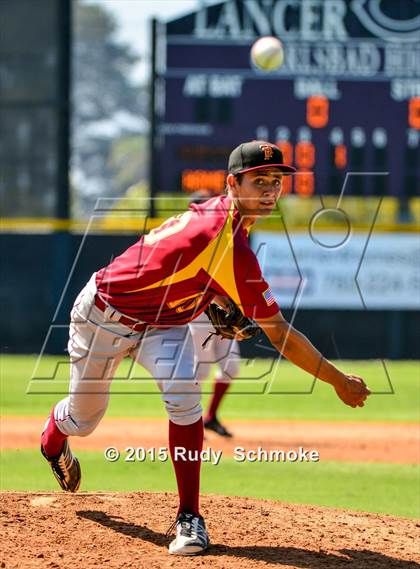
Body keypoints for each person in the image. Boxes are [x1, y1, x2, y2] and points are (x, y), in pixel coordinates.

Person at [40, 140, 370, 556]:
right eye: (259, 181)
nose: (270, 190)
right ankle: (53, 439)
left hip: (166, 320)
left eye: (276, 181)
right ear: (233, 183)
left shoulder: (230, 226)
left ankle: (189, 515)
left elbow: (186, 266)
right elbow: (280, 334)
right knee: (84, 420)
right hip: (106, 314)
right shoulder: (227, 242)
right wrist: (338, 381)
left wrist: (213, 297)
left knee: (185, 400)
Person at [188, 190, 240, 438]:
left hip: (223, 312)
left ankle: (210, 417)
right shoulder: (187, 239)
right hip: (199, 313)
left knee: (231, 367)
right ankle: (192, 422)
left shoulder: (226, 238)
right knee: (201, 371)